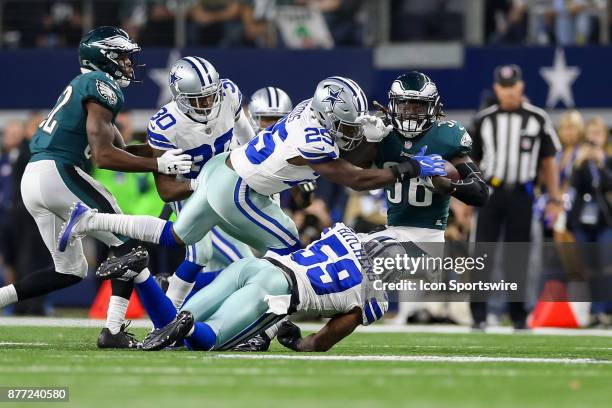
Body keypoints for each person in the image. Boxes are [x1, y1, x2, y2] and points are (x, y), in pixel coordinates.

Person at [58, 76, 448, 265]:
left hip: (224, 171)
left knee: (178, 236)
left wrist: (372, 140)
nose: (349, 133)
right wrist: (407, 166)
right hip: (239, 187)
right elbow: (355, 178)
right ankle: (235, 323)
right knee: (288, 258)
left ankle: (90, 219)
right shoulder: (313, 136)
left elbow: (352, 163)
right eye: (345, 126)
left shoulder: (309, 114)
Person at [0, 26, 193, 348]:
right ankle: (113, 330)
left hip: (36, 179)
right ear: (104, 57)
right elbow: (104, 156)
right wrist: (160, 165)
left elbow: (122, 148)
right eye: (123, 56)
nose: (129, 62)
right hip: (58, 172)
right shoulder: (100, 84)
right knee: (130, 248)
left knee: (71, 270)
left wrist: (165, 153)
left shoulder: (86, 85)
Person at [99, 223, 397, 352]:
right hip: (278, 292)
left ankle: (140, 273)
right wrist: (298, 342)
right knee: (205, 339)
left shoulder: (344, 234)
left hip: (255, 266)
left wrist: (282, 320)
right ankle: (190, 327)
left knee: (166, 329)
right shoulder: (374, 298)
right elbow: (322, 340)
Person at [343, 71, 489, 323]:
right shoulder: (383, 134)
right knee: (343, 249)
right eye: (404, 104)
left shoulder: (447, 136)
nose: (410, 111)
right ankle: (352, 308)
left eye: (418, 105)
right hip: (394, 234)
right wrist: (367, 141)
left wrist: (448, 186)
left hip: (428, 242)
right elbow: (354, 174)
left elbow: (480, 192)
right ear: (392, 105)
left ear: (432, 107)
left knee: (352, 254)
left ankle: (361, 305)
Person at [145, 56, 256, 311]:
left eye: (210, 95)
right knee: (201, 254)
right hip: (190, 191)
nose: (207, 103)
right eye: (199, 98)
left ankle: (172, 293)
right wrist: (206, 184)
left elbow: (247, 137)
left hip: (229, 184)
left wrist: (254, 169)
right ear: (180, 97)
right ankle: (168, 313)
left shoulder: (227, 93)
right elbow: (166, 191)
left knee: (245, 261)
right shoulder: (166, 125)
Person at [470, 64, 561, 330]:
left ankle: (519, 315)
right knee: (482, 253)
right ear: (497, 88)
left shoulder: (537, 118)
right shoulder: (484, 119)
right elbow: (470, 160)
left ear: (521, 87)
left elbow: (548, 160)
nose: (509, 92)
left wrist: (554, 197)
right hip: (490, 192)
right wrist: (464, 198)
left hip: (523, 193)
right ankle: (479, 314)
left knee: (518, 256)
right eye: (503, 87)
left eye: (513, 87)